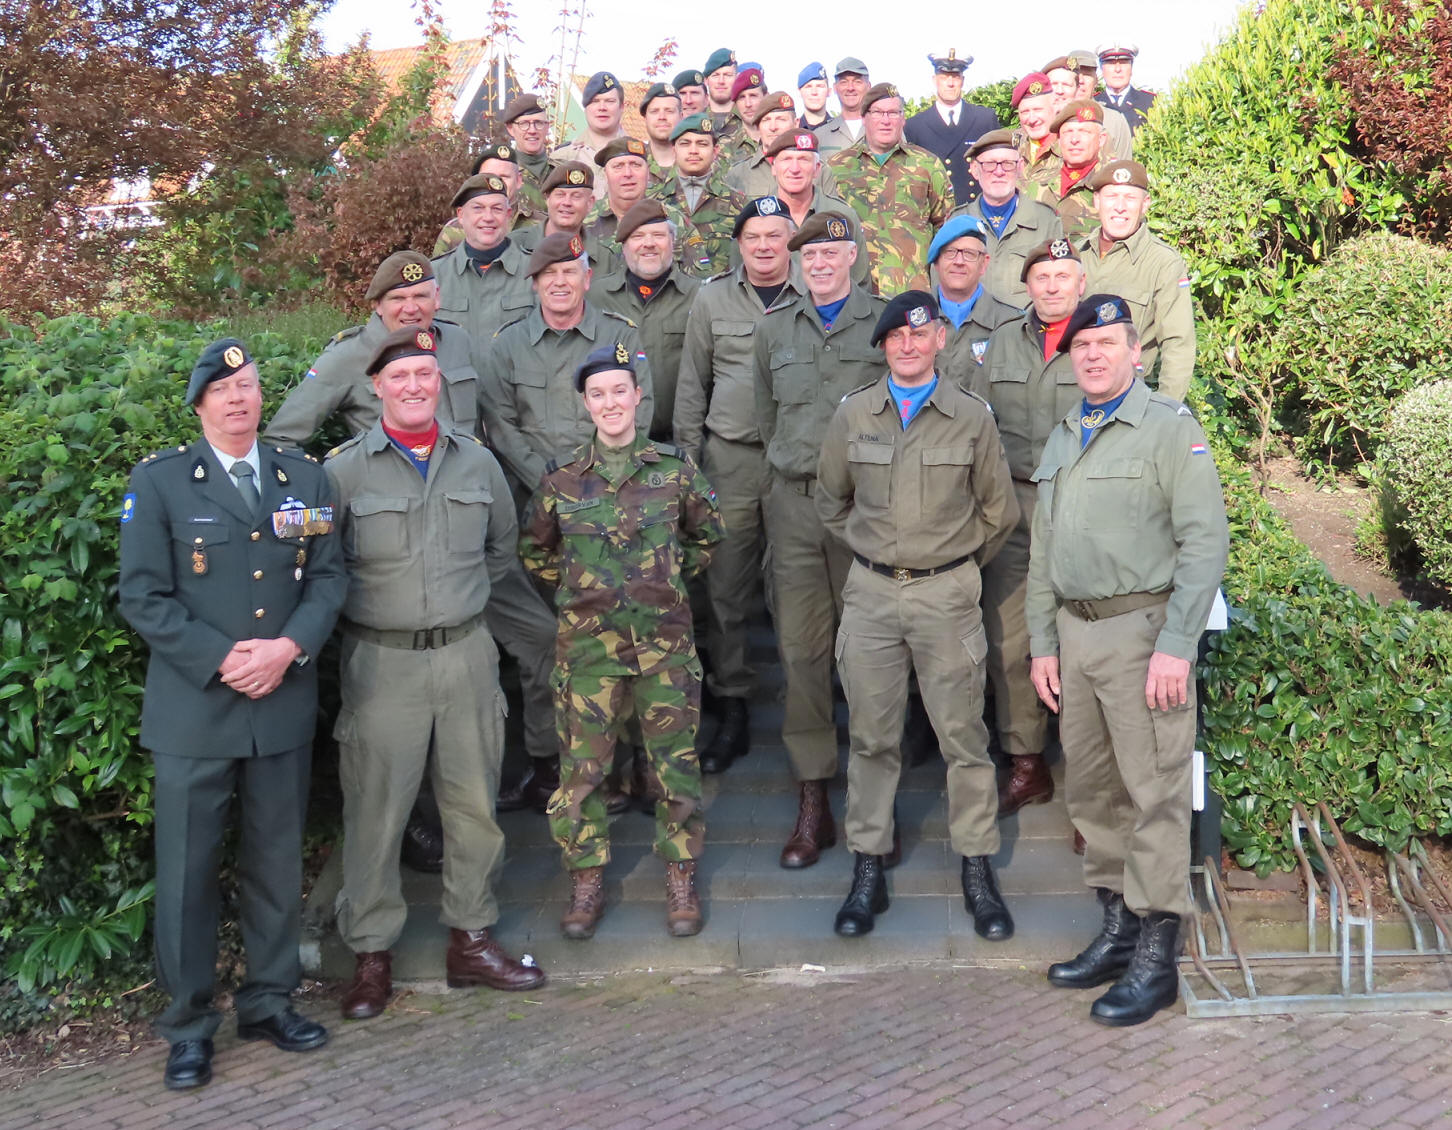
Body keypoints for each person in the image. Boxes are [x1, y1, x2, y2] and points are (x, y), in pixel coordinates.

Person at [265, 251, 564, 828]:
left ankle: (542, 765)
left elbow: (491, 425)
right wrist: (322, 513)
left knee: (544, 639)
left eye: (422, 296)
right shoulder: (349, 355)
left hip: (466, 539)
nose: (411, 307)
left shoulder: (458, 344)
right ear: (376, 306)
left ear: (438, 298)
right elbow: (282, 439)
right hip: (394, 550)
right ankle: (421, 819)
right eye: (398, 300)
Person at [119, 338, 347, 1090]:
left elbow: (327, 578)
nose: (239, 398)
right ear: (200, 404)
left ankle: (269, 1001)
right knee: (186, 874)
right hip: (195, 712)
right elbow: (143, 596)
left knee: (275, 863)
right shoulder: (159, 484)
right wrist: (225, 658)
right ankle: (188, 1027)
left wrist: (287, 648)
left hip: (280, 701)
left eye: (248, 385)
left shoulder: (302, 476)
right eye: (223, 389)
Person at [326, 327, 547, 1022]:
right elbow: (323, 570)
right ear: (377, 388)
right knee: (375, 810)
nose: (415, 387)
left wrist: (455, 607)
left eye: (426, 375)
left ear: (440, 383)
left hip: (465, 655)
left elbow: (501, 552)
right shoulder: (342, 471)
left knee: (473, 805)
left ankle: (471, 939)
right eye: (400, 377)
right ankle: (370, 955)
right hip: (380, 661)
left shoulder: (476, 464)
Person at [1027, 294, 1227, 1026]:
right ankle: (1115, 931)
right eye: (1082, 345)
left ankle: (1155, 951)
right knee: (1095, 792)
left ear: (1134, 352)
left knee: (1154, 793)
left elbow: (1205, 544)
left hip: (1143, 633)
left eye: (1107, 342)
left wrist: (1176, 645)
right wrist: (1042, 642)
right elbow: (1044, 551)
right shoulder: (1066, 435)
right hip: (1075, 636)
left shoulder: (1169, 431)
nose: (1093, 355)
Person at [815, 292, 1019, 939]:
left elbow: (999, 512)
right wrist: (882, 554)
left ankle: (977, 866)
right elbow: (829, 501)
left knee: (963, 738)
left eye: (920, 332)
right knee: (873, 738)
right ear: (883, 345)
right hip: (872, 596)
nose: (908, 344)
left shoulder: (970, 417)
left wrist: (950, 566)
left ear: (939, 340)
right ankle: (868, 866)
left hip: (947, 596)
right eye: (896, 336)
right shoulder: (854, 416)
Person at [520, 343, 725, 939]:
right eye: (598, 394)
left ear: (638, 397)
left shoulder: (674, 469)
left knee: (675, 769)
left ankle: (681, 875)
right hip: (589, 652)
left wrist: (660, 581)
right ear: (585, 404)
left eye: (620, 391)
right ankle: (586, 881)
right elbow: (537, 552)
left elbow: (707, 536)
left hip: (664, 647)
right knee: (583, 773)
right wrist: (589, 592)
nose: (610, 403)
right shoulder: (561, 480)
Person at [752, 210, 885, 868]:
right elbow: (763, 413)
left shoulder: (883, 325)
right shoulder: (774, 328)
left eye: (833, 254)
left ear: (854, 257)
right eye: (811, 257)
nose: (821, 265)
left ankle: (872, 802)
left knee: (868, 657)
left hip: (865, 511)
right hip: (796, 507)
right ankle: (814, 799)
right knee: (802, 655)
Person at [977, 238, 1087, 819]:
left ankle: (1089, 784)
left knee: (1084, 637)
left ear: (1081, 282)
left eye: (1061, 276)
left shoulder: (1097, 343)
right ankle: (1026, 763)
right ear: (1027, 285)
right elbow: (977, 420)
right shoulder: (1000, 343)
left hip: (1082, 505)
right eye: (1041, 276)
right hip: (1016, 503)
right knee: (1010, 636)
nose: (1050, 286)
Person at [479, 232, 654, 500]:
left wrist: (604, 477)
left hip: (611, 492)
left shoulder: (620, 335)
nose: (559, 282)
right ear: (535, 283)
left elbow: (639, 410)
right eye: (549, 273)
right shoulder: (508, 344)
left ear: (587, 279)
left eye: (570, 272)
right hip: (532, 496)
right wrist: (549, 482)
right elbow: (501, 427)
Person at [1076, 160, 1196, 401]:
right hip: (1071, 396)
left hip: (1129, 400)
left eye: (1130, 198)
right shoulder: (1075, 255)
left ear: (1145, 204)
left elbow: (1178, 344)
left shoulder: (1163, 263)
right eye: (1111, 197)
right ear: (1097, 201)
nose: (1120, 207)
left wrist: (1164, 412)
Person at [589, 198, 702, 442]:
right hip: (611, 443)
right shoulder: (595, 298)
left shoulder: (700, 297)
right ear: (624, 245)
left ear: (673, 242)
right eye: (638, 236)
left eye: (658, 235)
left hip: (679, 442)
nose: (648, 244)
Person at [830, 82, 954, 294]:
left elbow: (946, 228)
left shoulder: (927, 165)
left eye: (893, 113)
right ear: (864, 117)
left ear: (903, 119)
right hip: (855, 294)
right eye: (878, 112)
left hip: (913, 291)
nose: (886, 121)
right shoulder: (837, 167)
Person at [950, 130, 1065, 308]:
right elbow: (942, 287)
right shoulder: (957, 222)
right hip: (971, 329)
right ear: (974, 169)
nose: (999, 172)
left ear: (1019, 168)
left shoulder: (1046, 221)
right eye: (989, 164)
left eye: (1007, 164)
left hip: (1025, 331)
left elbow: (1060, 287)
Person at [433, 172, 536, 345]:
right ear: (460, 215)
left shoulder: (535, 271)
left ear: (508, 214)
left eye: (497, 209)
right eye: (478, 208)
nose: (488, 217)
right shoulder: (436, 275)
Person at [650, 114, 748, 277]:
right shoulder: (653, 203)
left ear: (715, 151)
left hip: (720, 297)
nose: (693, 151)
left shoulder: (738, 204)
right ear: (674, 150)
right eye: (685, 144)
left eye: (702, 144)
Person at [583, 136, 694, 279]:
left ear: (648, 173)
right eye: (618, 166)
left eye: (636, 165)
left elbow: (699, 284)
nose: (627, 173)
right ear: (605, 174)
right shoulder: (585, 223)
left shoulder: (674, 221)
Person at [766, 131, 868, 285]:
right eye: (787, 159)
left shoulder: (842, 216)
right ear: (773, 167)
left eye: (803, 160)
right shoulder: (756, 219)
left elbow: (860, 284)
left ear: (817, 169)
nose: (795, 169)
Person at [926, 216, 1020, 383]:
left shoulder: (1011, 322)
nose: (959, 262)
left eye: (969, 254)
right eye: (950, 252)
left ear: (984, 263)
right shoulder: (911, 318)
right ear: (936, 262)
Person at [903, 50, 999, 204]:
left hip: (977, 212)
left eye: (955, 77)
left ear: (962, 80)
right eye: (944, 77)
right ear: (934, 80)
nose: (950, 83)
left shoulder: (985, 119)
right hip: (936, 216)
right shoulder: (915, 126)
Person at [432, 142, 545, 257]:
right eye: (488, 176)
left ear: (519, 180)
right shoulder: (454, 229)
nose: (496, 182)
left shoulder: (542, 226)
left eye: (504, 177)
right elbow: (439, 271)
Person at [1026, 100, 1108, 240]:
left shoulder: (1111, 188)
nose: (1074, 139)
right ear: (1058, 140)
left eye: (1084, 132)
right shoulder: (1036, 180)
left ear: (1101, 139)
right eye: (1068, 132)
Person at [551, 70, 628, 193]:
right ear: (586, 108)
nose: (602, 108)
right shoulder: (562, 158)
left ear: (622, 107)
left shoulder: (641, 156)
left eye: (610, 101)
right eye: (595, 101)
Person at [513, 161, 597, 251]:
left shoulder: (606, 259)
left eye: (576, 196)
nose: (567, 202)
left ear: (590, 203)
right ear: (547, 199)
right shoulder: (513, 245)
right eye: (560, 194)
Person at [1095, 43, 1157, 133]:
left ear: (1131, 68)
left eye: (1124, 63)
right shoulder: (1093, 103)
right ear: (1101, 68)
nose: (1117, 69)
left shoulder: (1150, 102)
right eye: (1111, 63)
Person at [815, 57, 870, 154]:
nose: (850, 88)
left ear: (869, 87)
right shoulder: (819, 136)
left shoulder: (885, 130)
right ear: (835, 88)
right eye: (844, 82)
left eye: (857, 82)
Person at [502, 92, 555, 188]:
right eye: (524, 124)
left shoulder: (561, 171)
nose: (532, 130)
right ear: (510, 129)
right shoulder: (504, 173)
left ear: (547, 127)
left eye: (538, 123)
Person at [640, 81, 682, 180]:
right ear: (645, 118)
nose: (662, 117)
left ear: (681, 116)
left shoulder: (697, 161)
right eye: (654, 111)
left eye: (669, 111)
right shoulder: (632, 162)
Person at [703, 48, 738, 128]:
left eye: (727, 75)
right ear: (706, 81)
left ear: (737, 78)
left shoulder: (749, 119)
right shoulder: (695, 122)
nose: (721, 81)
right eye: (715, 75)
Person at [797, 62, 831, 129]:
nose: (814, 92)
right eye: (808, 87)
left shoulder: (841, 129)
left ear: (829, 92)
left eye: (820, 86)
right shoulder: (792, 131)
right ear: (799, 92)